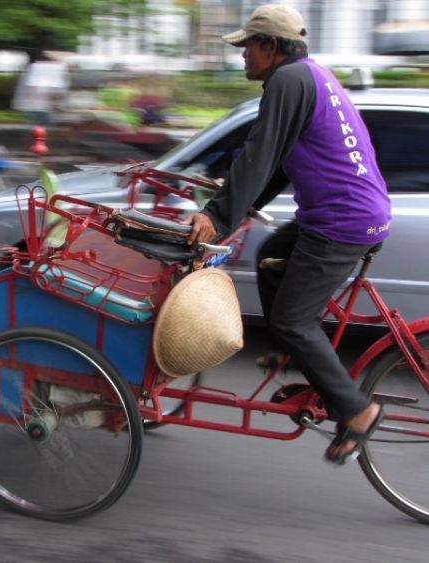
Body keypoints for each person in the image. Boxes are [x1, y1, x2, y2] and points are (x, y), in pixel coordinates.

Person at [180, 4, 390, 465]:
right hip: (347, 213)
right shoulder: (310, 75)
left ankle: (356, 411)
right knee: (272, 253)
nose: (242, 57)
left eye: (247, 47)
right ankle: (287, 352)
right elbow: (277, 158)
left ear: (270, 47)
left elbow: (258, 153)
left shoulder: (286, 82)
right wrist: (243, 204)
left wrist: (217, 215)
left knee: (295, 320)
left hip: (341, 222)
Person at [12, 54, 70, 126]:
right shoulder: (43, 72)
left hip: (32, 108)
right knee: (43, 129)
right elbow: (57, 94)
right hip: (41, 109)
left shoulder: (34, 71)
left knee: (35, 129)